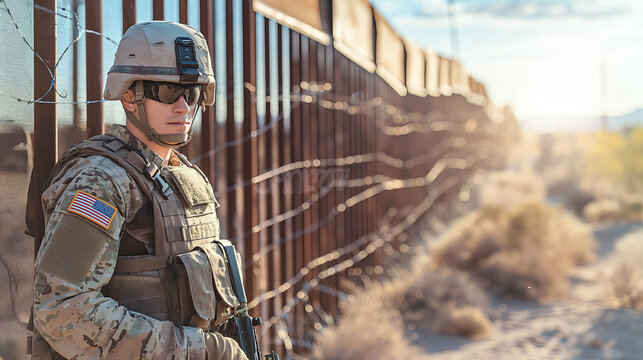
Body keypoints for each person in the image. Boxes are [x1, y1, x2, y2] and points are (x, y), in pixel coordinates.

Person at [29, 21, 248, 360]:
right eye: (166, 91)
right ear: (129, 95)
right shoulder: (100, 182)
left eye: (192, 93)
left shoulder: (181, 173)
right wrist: (196, 351)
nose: (183, 107)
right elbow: (62, 306)